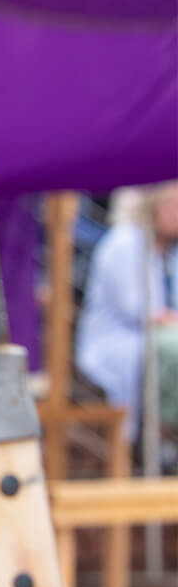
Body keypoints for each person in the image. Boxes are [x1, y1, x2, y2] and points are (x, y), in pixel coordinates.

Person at [76, 179, 178, 441]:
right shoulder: (124, 242)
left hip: (151, 339)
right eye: (173, 206)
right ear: (153, 206)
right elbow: (140, 310)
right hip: (117, 344)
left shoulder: (169, 252)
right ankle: (162, 435)